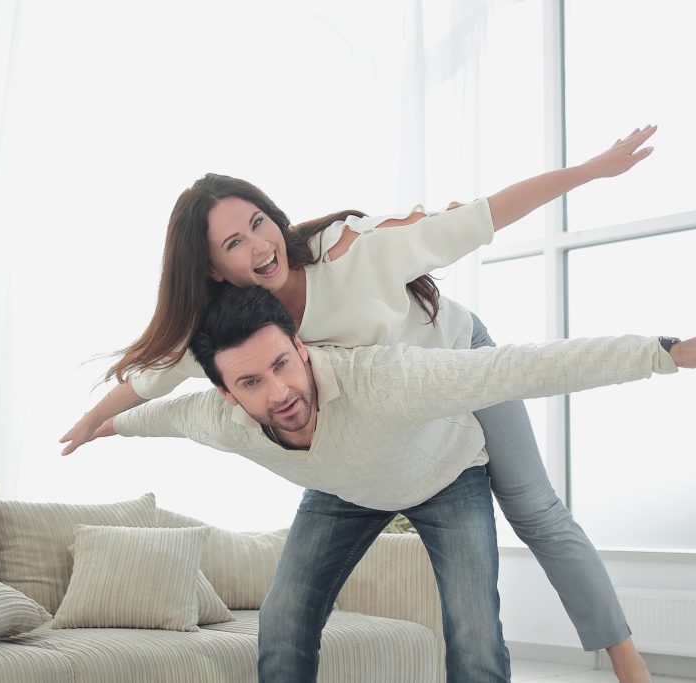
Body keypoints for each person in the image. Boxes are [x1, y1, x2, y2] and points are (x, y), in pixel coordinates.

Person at [62, 125, 664, 681]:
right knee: (289, 611)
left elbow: (481, 218)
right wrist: (92, 421)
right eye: (234, 243)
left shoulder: (351, 251)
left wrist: (590, 170)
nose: (260, 246)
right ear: (214, 270)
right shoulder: (241, 335)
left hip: (460, 357)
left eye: (259, 223)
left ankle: (629, 665)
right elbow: (154, 381)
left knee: (535, 510)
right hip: (372, 439)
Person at [95, 284, 696, 682]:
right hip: (344, 492)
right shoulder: (219, 419)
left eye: (282, 365)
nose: (279, 393)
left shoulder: (383, 378)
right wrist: (105, 427)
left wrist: (662, 353)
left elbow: (520, 369)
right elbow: (158, 415)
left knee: (474, 632)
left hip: (448, 477)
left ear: (301, 347)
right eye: (250, 382)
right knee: (283, 617)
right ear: (226, 394)